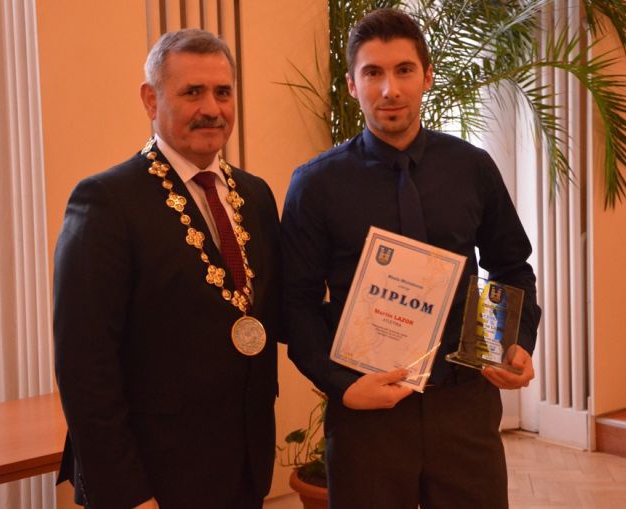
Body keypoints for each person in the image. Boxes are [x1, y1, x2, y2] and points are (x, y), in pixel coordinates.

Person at [281, 8, 541, 509]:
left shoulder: (471, 168)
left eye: (403, 70)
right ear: (353, 85)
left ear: (427, 76)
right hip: (366, 416)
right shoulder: (315, 185)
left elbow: (511, 265)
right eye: (372, 73)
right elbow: (296, 303)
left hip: (464, 405)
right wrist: (342, 387)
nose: (390, 89)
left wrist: (511, 343)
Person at [53, 29, 281, 509]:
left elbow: (277, 310)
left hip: (243, 470)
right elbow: (85, 367)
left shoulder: (256, 195)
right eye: (192, 92)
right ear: (150, 100)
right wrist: (128, 494)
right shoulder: (106, 202)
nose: (212, 108)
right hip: (152, 481)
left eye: (223, 92)